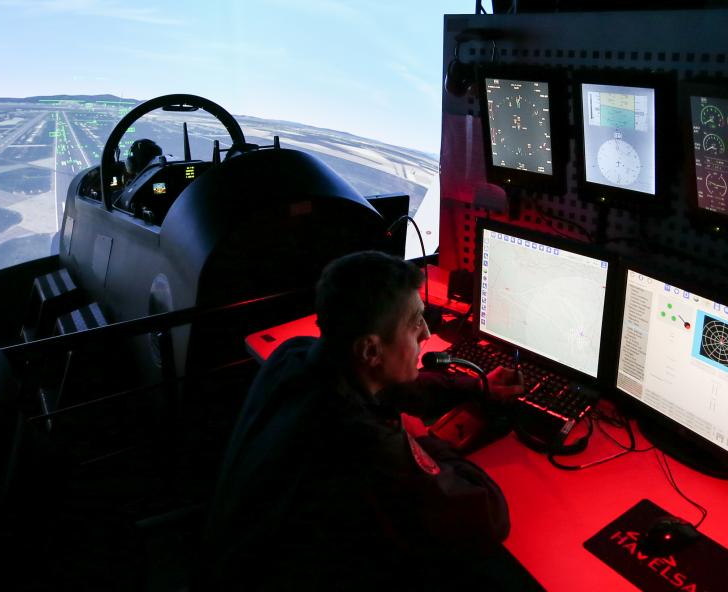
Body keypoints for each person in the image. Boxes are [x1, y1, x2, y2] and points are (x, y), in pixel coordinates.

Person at [199, 251, 524, 590]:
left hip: (230, 562)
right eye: (415, 321)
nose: (427, 333)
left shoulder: (294, 355)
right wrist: (422, 440)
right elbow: (489, 516)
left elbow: (392, 387)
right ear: (370, 350)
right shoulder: (361, 439)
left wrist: (477, 387)